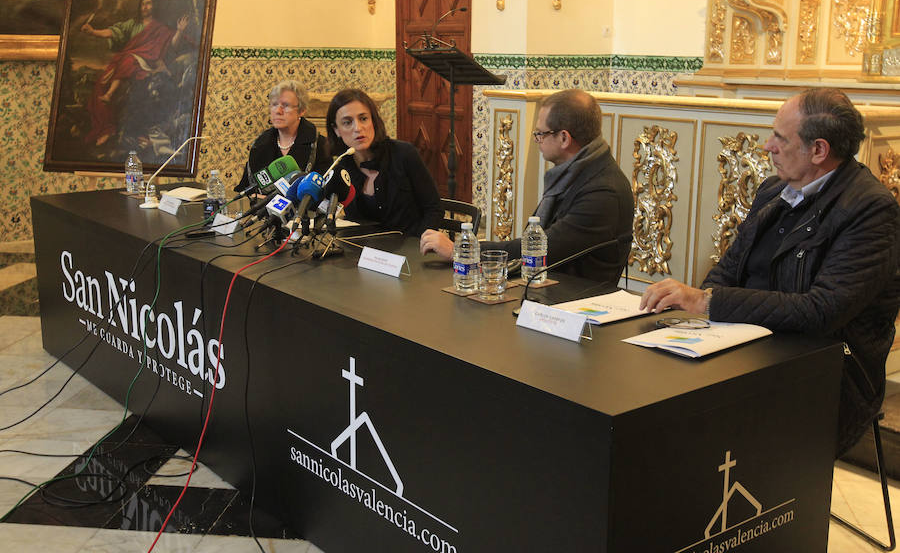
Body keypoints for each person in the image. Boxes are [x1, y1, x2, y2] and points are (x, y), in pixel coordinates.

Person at [639, 88, 900, 457]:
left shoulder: (871, 211)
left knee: (690, 429)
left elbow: (820, 311)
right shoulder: (775, 190)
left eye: (780, 137)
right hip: (751, 350)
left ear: (819, 150)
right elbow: (727, 268)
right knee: (652, 395)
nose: (767, 146)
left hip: (824, 373)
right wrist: (703, 320)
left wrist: (708, 302)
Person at [420, 88, 634, 288]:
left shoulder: (603, 192)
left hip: (576, 301)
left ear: (564, 138)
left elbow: (539, 249)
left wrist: (462, 250)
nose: (536, 140)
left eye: (541, 134)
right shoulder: (577, 172)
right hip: (550, 288)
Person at [327, 89, 442, 236]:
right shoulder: (340, 167)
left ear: (373, 121)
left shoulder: (404, 153)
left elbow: (434, 208)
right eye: (347, 122)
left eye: (363, 119)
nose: (358, 128)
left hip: (410, 249)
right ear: (336, 130)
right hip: (360, 253)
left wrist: (421, 242)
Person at [81, 0, 188, 146]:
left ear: (154, 6)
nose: (145, 7)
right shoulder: (132, 24)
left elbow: (172, 45)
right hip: (128, 61)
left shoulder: (161, 28)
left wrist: (180, 31)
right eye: (143, 4)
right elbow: (113, 32)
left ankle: (110, 94)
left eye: (149, 3)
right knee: (100, 83)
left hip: (148, 63)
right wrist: (93, 32)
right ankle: (105, 128)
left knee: (128, 59)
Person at [236, 80, 330, 192]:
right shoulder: (260, 145)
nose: (278, 111)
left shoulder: (320, 145)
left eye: (285, 106)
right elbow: (244, 189)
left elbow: (325, 193)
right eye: (274, 105)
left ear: (301, 111)